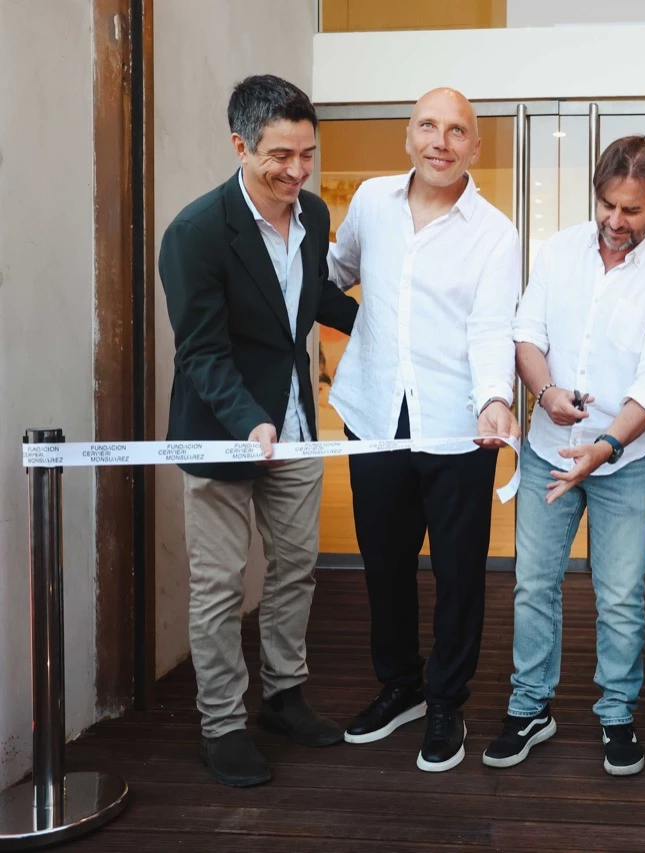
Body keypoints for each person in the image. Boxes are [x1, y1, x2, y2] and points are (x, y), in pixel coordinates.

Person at [158, 74, 359, 787]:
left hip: (299, 428)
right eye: (281, 155)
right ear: (240, 144)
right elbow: (202, 351)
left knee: (295, 569)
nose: (297, 171)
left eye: (307, 154)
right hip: (222, 432)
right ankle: (222, 725)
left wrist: (388, 335)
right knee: (218, 587)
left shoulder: (311, 215)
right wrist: (251, 421)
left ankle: (283, 694)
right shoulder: (195, 233)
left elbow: (313, 300)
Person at [481, 136, 645, 777]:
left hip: (624, 465)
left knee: (622, 595)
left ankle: (616, 715)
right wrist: (544, 394)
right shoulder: (558, 252)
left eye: (631, 210)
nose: (614, 221)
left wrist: (602, 449)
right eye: (607, 204)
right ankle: (529, 708)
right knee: (533, 588)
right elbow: (527, 334)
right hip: (549, 451)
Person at [325, 88, 521, 773]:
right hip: (374, 412)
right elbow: (335, 274)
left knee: (459, 571)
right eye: (428, 127)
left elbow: (493, 326)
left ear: (475, 146)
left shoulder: (495, 232)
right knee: (383, 562)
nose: (441, 140)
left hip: (458, 423)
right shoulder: (372, 203)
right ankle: (400, 685)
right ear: (408, 135)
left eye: (457, 130)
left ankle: (446, 700)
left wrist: (496, 398)